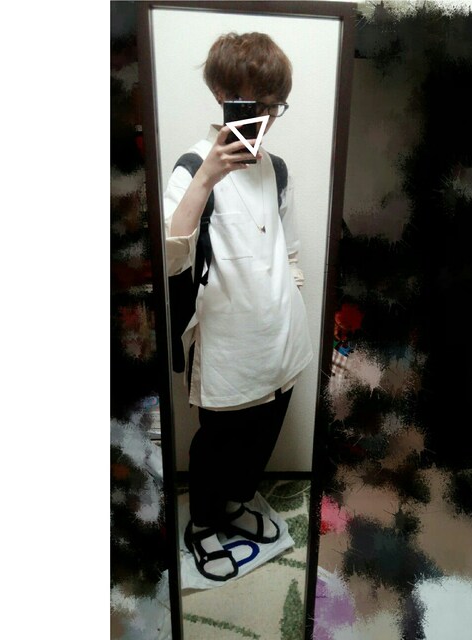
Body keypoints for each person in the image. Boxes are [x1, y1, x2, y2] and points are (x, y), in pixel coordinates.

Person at [163, 32, 313, 582]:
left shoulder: (278, 169)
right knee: (218, 444)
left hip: (282, 336)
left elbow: (288, 249)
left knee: (262, 438)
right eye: (256, 104)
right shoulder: (191, 166)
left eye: (276, 106)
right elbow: (170, 257)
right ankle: (204, 523)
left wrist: (292, 293)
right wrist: (207, 177)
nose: (267, 118)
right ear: (223, 96)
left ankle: (236, 503)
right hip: (229, 341)